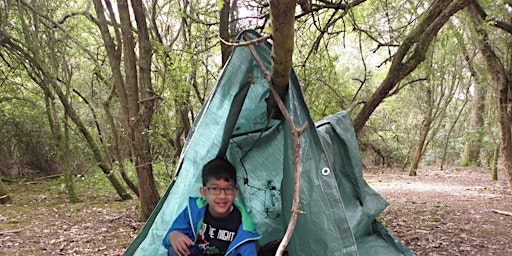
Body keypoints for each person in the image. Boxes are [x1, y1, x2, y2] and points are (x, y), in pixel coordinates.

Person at [162, 158, 261, 256]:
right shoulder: (194, 211)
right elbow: (174, 233)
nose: (222, 196)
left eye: (228, 189)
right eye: (214, 188)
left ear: (235, 193)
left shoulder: (244, 227)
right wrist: (172, 236)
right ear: (203, 193)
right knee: (176, 250)